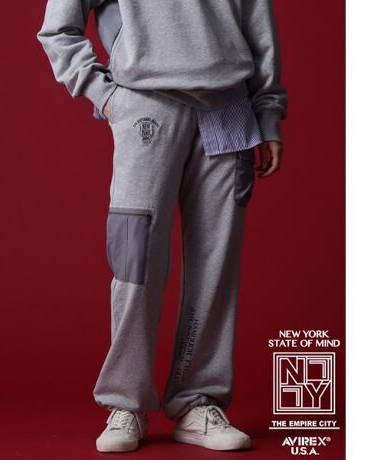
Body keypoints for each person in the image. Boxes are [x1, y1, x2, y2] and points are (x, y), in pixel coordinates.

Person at [37, 0, 287, 453]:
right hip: (146, 104)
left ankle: (199, 401)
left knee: (215, 267)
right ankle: (126, 402)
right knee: (136, 260)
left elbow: (256, 19)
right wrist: (104, 94)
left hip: (229, 106)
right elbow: (58, 29)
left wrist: (267, 111)